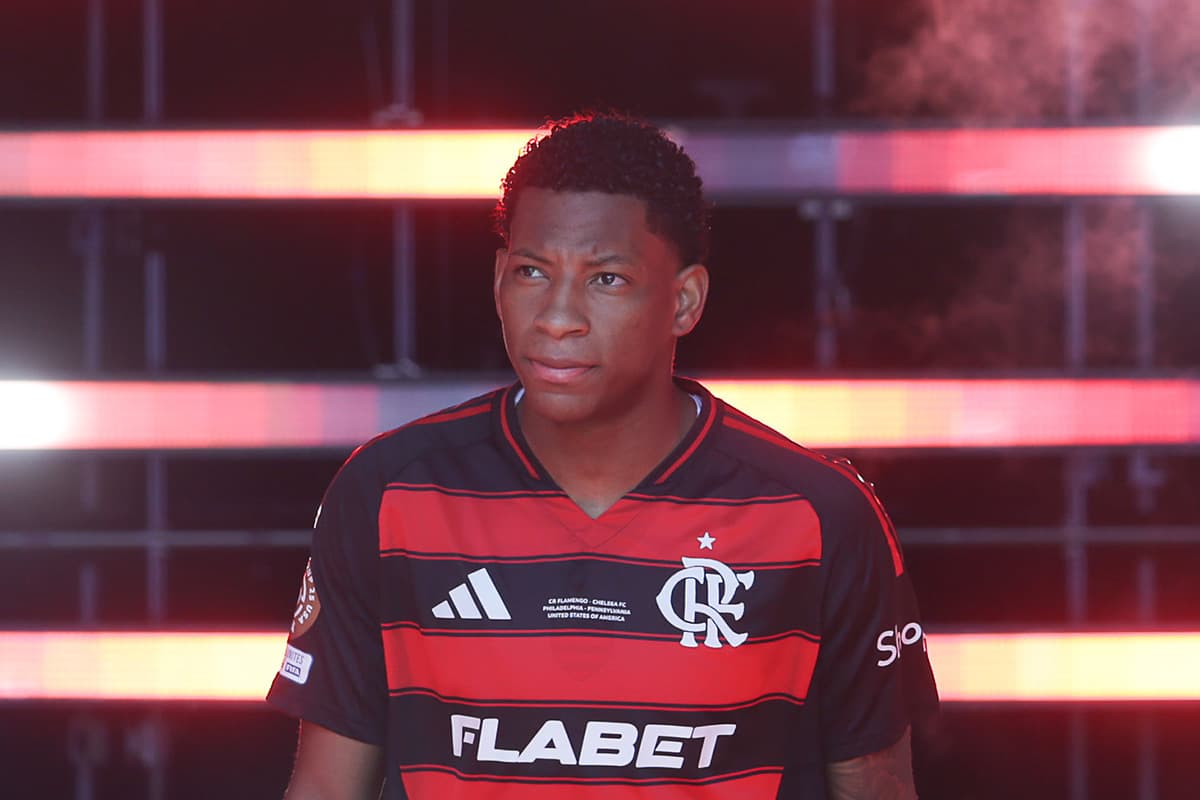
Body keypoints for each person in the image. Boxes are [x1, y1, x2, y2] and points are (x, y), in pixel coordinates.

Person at [267, 112, 939, 799]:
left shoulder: (820, 518)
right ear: (499, 279)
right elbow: (325, 787)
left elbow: (875, 786)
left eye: (606, 279)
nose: (558, 317)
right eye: (532, 271)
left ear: (684, 301)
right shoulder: (386, 496)